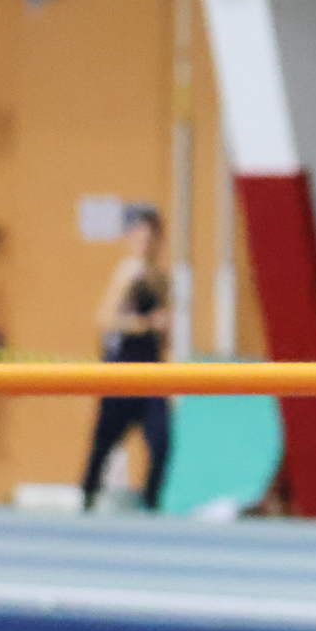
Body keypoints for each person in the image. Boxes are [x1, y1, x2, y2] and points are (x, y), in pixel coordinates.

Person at [81, 205, 174, 512]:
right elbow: (105, 319)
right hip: (124, 366)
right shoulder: (127, 273)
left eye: (152, 237)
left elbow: (165, 328)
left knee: (161, 439)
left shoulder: (160, 278)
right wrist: (144, 324)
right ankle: (87, 497)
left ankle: (151, 503)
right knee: (104, 441)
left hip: (151, 369)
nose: (146, 243)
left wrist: (164, 331)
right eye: (141, 237)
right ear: (132, 239)